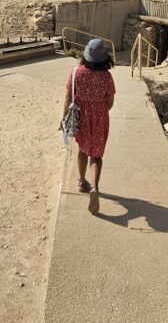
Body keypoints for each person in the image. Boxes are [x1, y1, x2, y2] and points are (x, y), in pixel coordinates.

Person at [60, 38, 116, 214]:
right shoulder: (107, 77)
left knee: (83, 150)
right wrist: (99, 111)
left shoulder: (76, 73)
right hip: (100, 118)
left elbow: (68, 98)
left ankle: (82, 182)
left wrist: (63, 119)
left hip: (81, 117)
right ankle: (96, 188)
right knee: (97, 155)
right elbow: (110, 102)